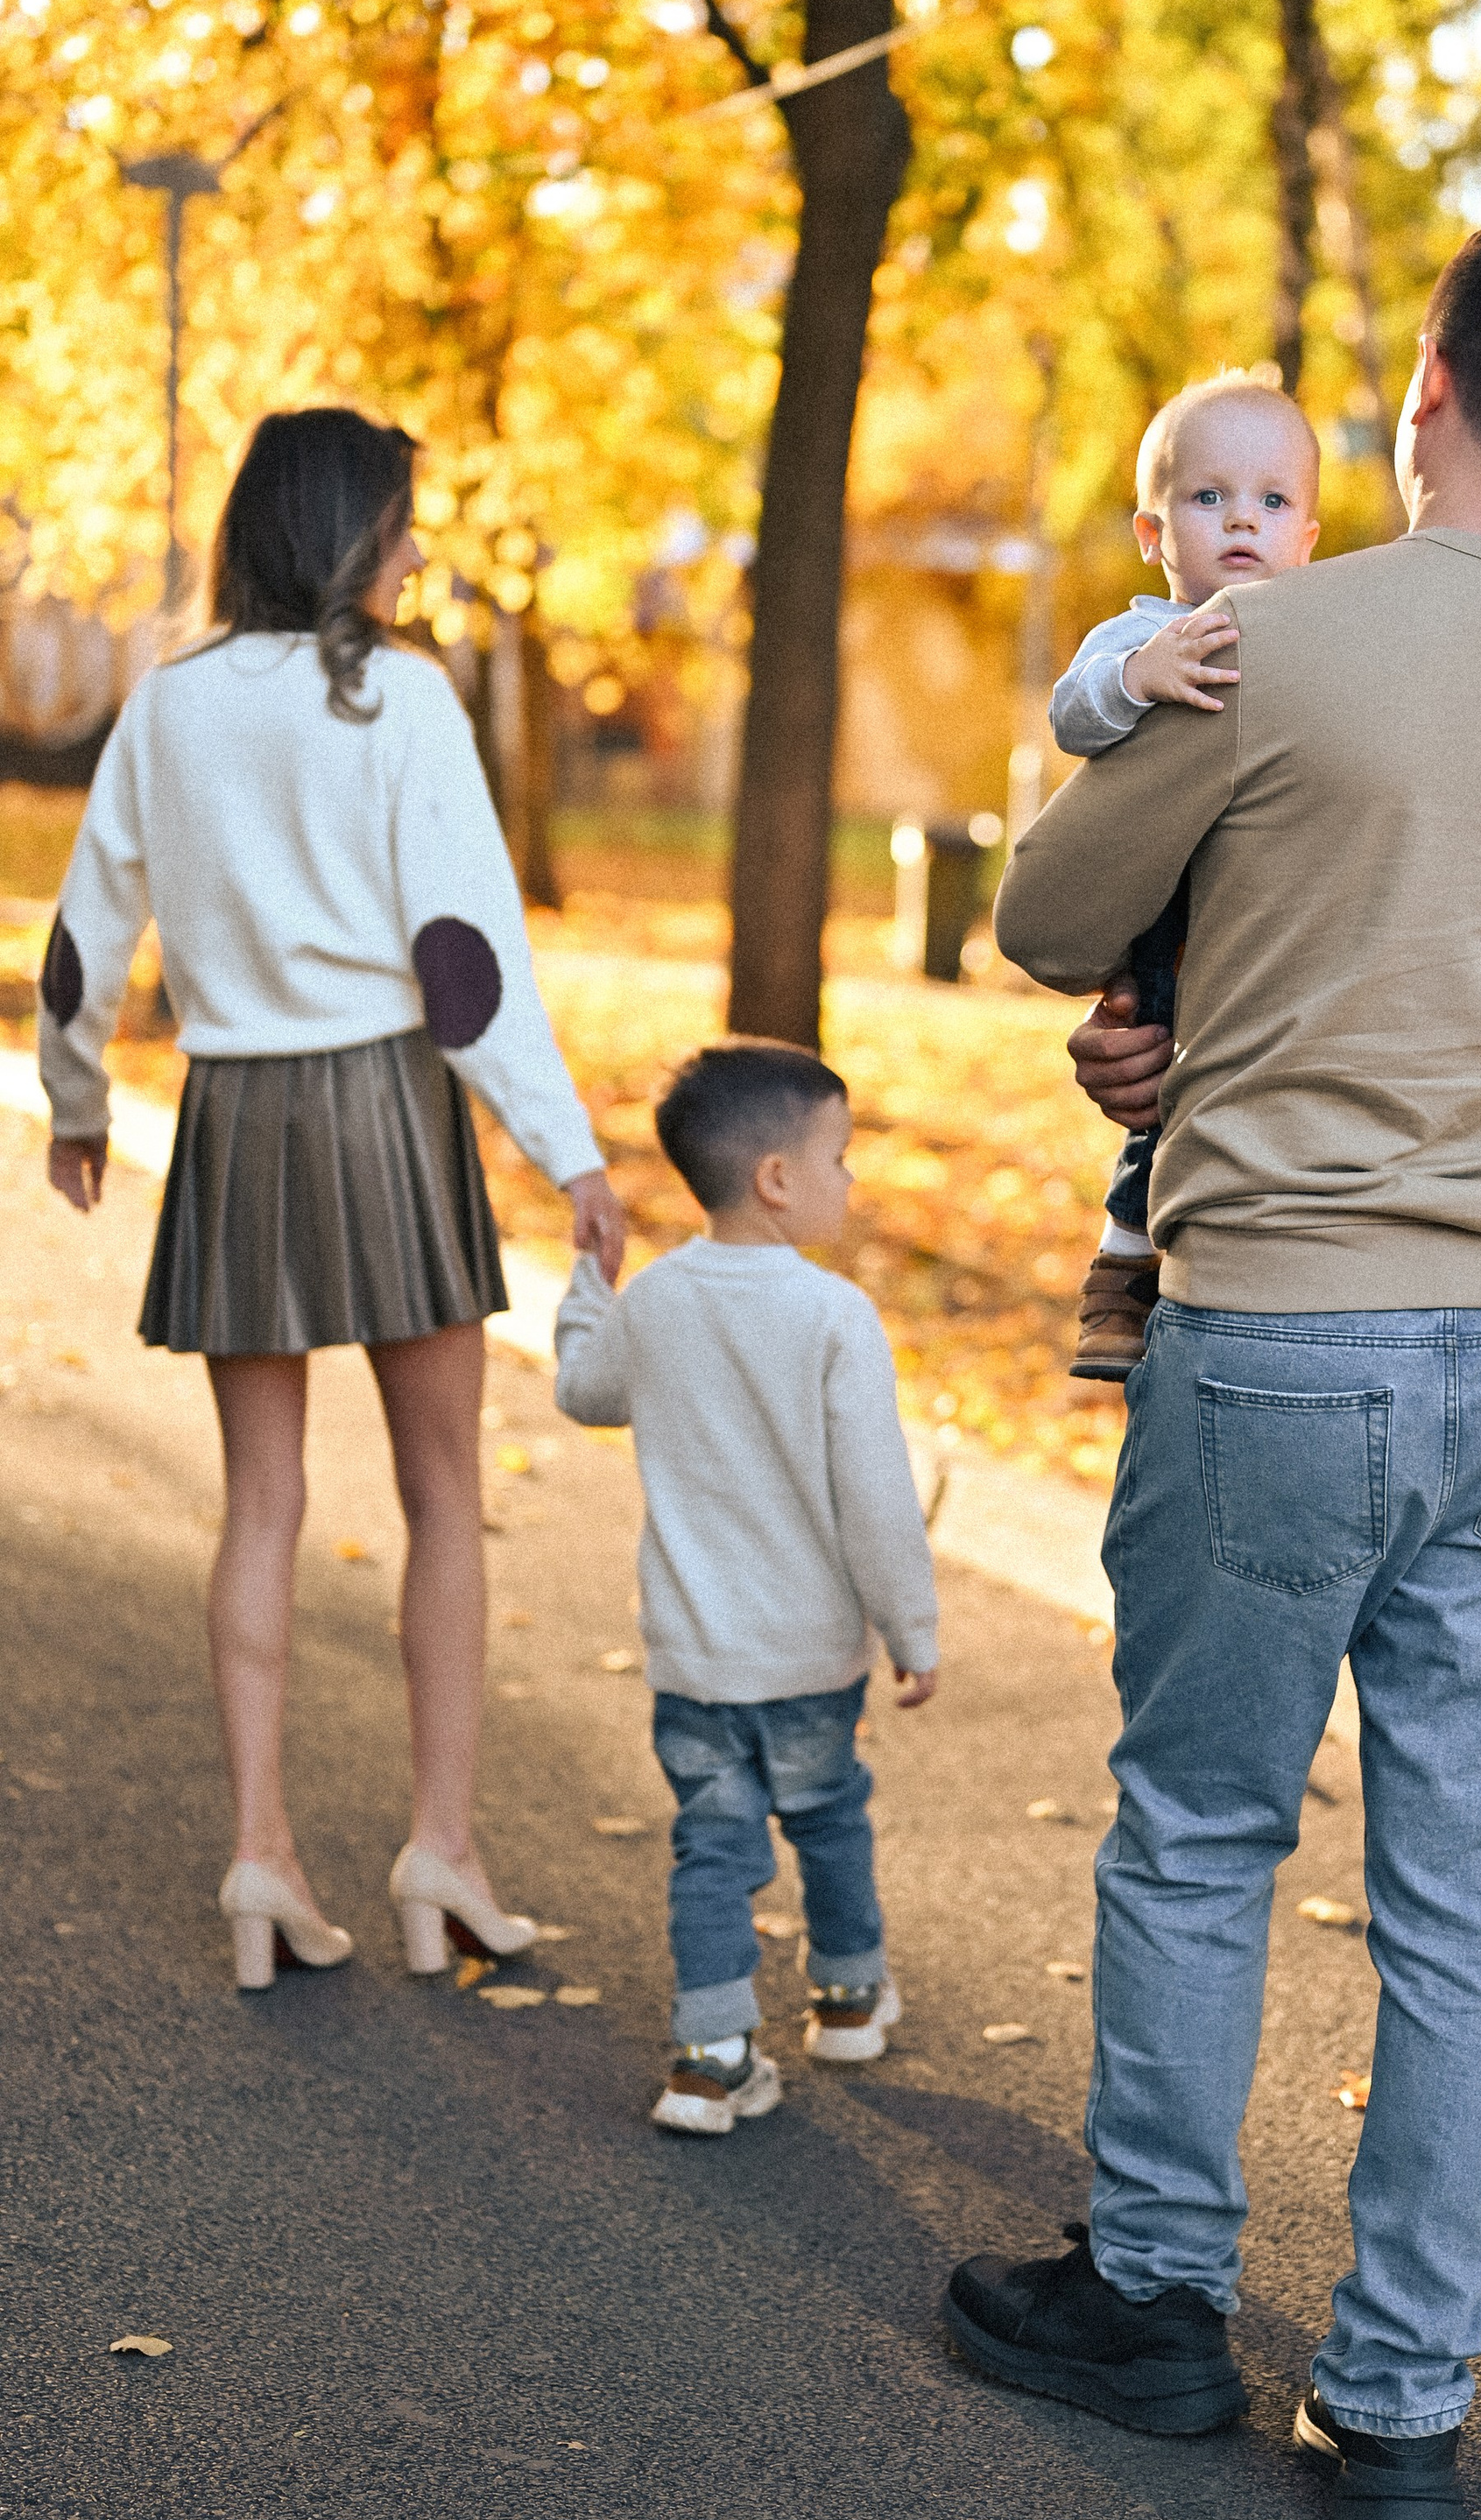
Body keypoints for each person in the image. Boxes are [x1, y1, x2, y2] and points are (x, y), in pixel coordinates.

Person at [945, 215, 1481, 2520]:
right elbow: (1459, 955)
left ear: (1433, 380)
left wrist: (1165, 1037)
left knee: (1206, 1829)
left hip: (1284, 1334)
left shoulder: (1272, 640)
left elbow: (1055, 919)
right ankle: (1401, 2408)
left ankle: (1156, 2300)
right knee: (1468, 1894)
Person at [39, 407, 625, 1992]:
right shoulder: (409, 701)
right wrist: (566, 1149)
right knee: (442, 1490)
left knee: (262, 1500)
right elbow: (465, 960)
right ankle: (443, 1843)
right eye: (402, 526)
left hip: (237, 1118)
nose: (420, 553)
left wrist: (78, 1106)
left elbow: (86, 936)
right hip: (384, 1109)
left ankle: (261, 1847)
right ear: (344, 534)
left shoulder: (167, 708)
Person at [552, 1039, 939, 2136]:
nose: (850, 1179)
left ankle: (711, 2057)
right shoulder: (832, 1316)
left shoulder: (658, 1302)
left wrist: (590, 1286)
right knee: (827, 1814)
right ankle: (849, 1998)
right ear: (777, 1177)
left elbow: (586, 1391)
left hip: (695, 1656)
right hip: (809, 1652)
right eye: (841, 1156)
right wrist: (910, 1624)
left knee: (712, 1850)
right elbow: (876, 1494)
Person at [1048, 370, 1320, 1385]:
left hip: (1266, 912)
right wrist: (1138, 678)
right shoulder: (1135, 635)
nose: (1240, 520)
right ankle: (1123, 1262)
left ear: (1309, 539)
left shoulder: (1309, 641)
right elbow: (1073, 713)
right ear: (1152, 532)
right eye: (1207, 498)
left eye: (1271, 501)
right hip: (1164, 911)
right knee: (1165, 1080)